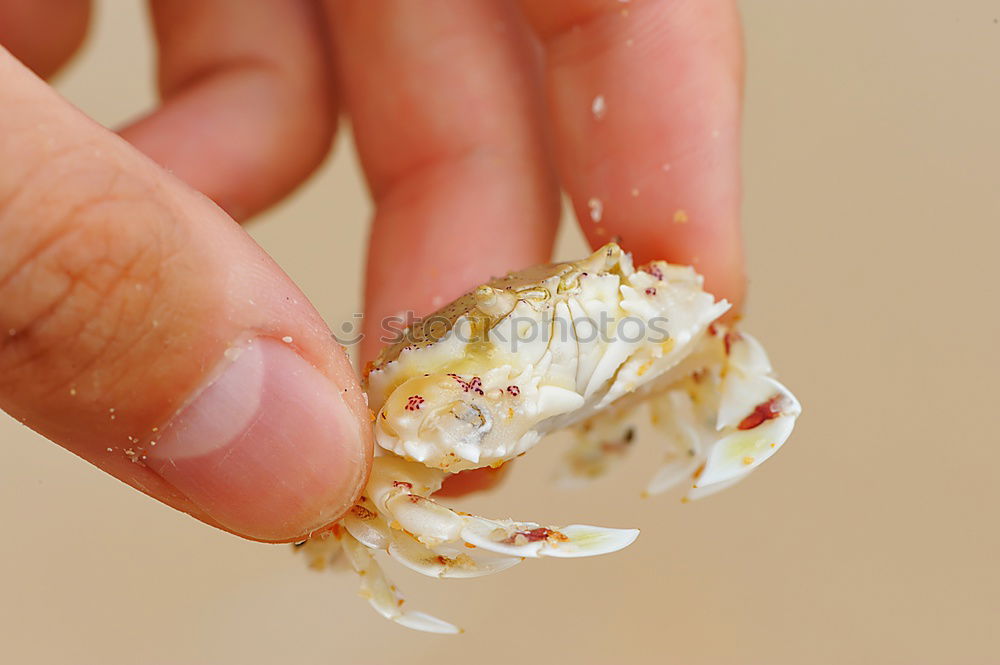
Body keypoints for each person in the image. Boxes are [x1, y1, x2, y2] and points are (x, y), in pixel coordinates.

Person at [0, 1, 745, 543]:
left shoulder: (629, 296)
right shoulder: (404, 411)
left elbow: (705, 319)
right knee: (342, 485)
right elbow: (377, 502)